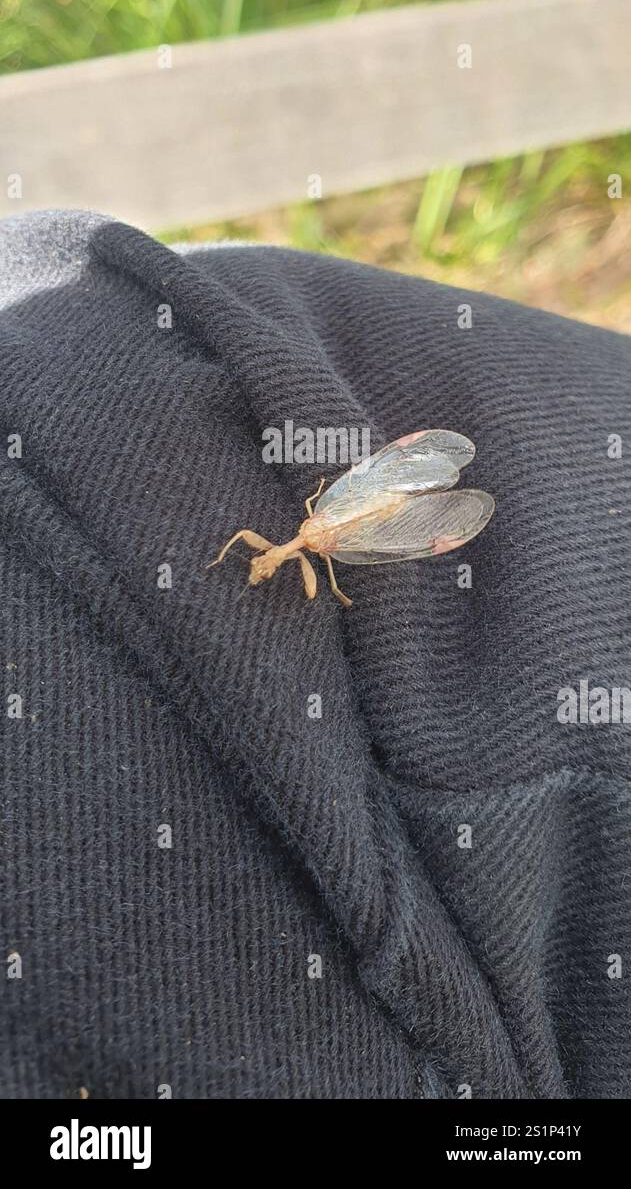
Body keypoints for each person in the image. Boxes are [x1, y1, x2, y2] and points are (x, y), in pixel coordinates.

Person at [1, 208, 629, 1099]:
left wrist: (309, 558)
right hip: (356, 517)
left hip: (351, 523)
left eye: (256, 557)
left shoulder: (306, 540)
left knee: (381, 531)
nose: (254, 560)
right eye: (258, 559)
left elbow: (345, 536)